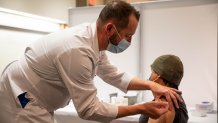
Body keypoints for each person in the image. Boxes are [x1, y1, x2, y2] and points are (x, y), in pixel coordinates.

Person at [0, 1, 182, 123]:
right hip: (21, 98)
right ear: (110, 28)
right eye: (128, 35)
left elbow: (113, 75)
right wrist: (141, 108)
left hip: (34, 97)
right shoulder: (77, 50)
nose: (130, 41)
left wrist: (151, 85)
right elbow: (88, 109)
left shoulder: (93, 39)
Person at [139, 54, 189, 123]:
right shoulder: (176, 98)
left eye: (152, 72)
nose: (150, 76)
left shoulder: (164, 104)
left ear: (159, 75)